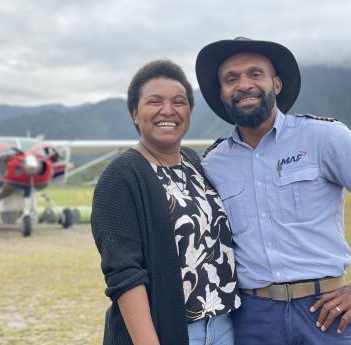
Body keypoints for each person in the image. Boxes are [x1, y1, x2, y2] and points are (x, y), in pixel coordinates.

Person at [196, 37, 351, 344]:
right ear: (222, 93)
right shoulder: (213, 163)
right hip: (252, 317)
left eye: (255, 74)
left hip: (324, 311)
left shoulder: (324, 137)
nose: (243, 85)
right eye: (231, 79)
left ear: (276, 84)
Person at [91, 60, 240, 345]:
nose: (167, 111)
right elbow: (125, 274)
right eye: (154, 101)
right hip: (170, 333)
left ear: (189, 112)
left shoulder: (195, 163)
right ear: (135, 112)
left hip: (224, 327)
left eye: (179, 102)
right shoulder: (120, 177)